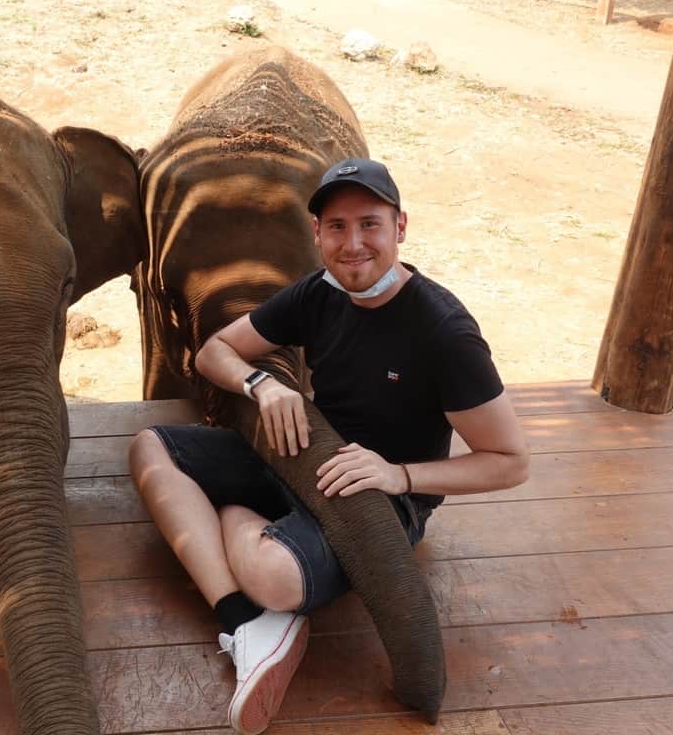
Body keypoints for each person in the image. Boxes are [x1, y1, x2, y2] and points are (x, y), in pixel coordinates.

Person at [128, 157, 530, 735]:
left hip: (381, 497)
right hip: (300, 456)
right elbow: (214, 350)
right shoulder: (318, 293)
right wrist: (262, 384)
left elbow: (511, 462)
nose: (353, 244)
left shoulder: (443, 332)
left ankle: (233, 525)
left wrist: (401, 476)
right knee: (149, 450)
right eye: (336, 227)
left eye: (370, 223)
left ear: (400, 227)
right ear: (316, 234)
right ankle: (244, 621)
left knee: (275, 578)